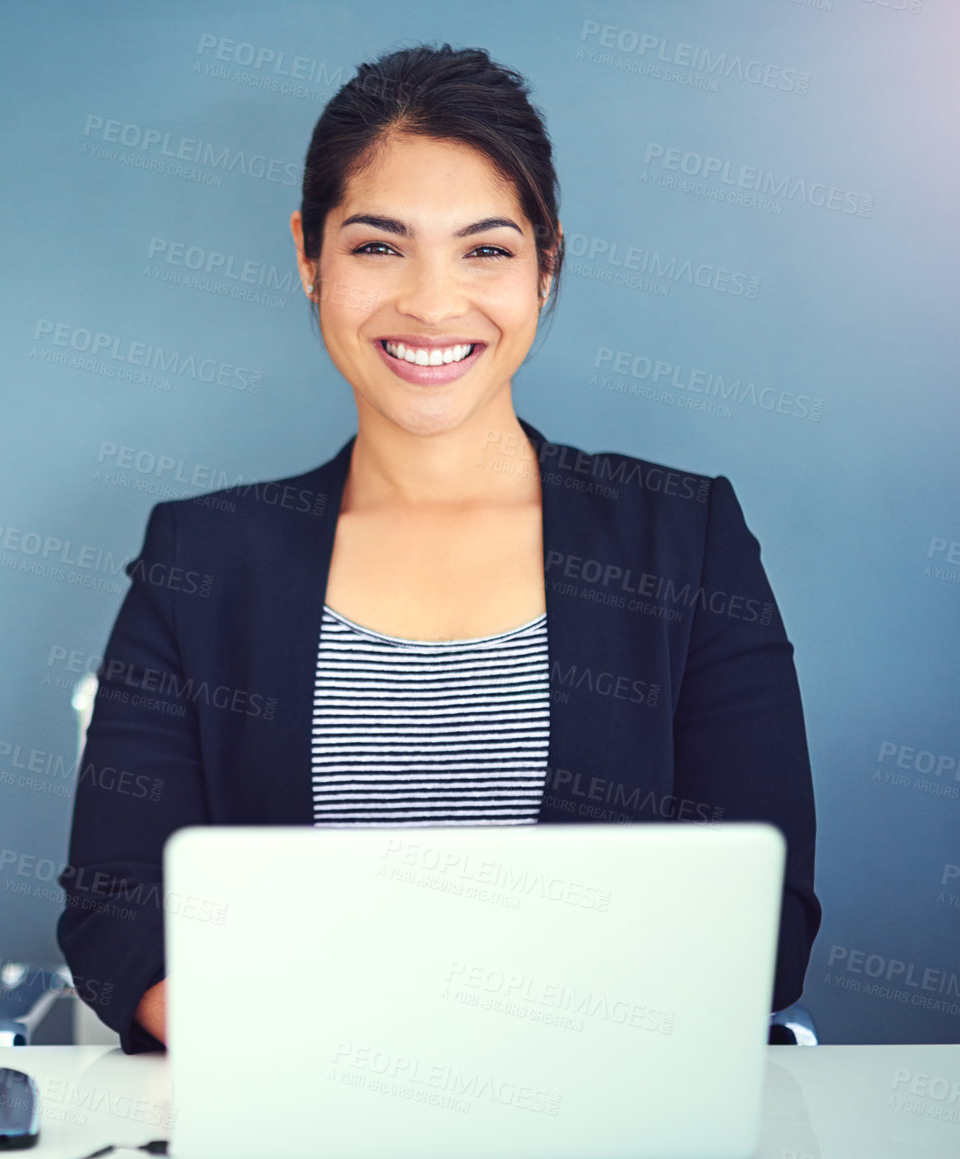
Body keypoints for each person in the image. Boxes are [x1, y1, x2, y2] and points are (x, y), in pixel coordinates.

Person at [55, 43, 820, 1053]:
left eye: (486, 249)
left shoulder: (684, 541)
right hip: (298, 1103)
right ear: (308, 257)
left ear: (547, 265)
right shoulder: (201, 557)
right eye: (378, 246)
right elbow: (117, 916)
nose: (430, 302)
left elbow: (763, 926)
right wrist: (335, 1054)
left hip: (595, 1108)